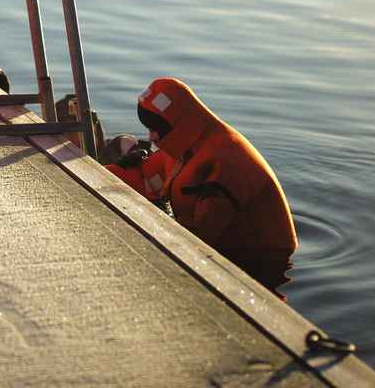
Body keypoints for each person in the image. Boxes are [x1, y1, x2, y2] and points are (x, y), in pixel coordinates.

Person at [106, 77, 298, 287]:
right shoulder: (182, 145)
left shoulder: (225, 161)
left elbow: (202, 239)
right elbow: (146, 174)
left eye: (155, 128)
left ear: (176, 124)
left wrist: (154, 217)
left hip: (258, 263)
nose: (151, 137)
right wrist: (112, 173)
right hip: (212, 246)